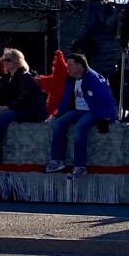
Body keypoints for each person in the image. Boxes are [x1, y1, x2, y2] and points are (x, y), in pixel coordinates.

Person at [45, 53, 116, 181]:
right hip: (78, 111)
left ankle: (80, 166)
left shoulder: (93, 78)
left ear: (80, 65)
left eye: (71, 65)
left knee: (79, 128)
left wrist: (105, 118)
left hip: (93, 112)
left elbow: (105, 98)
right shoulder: (73, 79)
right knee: (58, 124)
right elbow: (67, 98)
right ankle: (57, 160)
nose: (68, 68)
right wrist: (59, 113)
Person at [71, 0, 121, 80]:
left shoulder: (92, 8)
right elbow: (115, 29)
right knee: (107, 78)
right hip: (109, 47)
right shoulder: (113, 10)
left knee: (93, 76)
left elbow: (86, 26)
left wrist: (77, 41)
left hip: (94, 46)